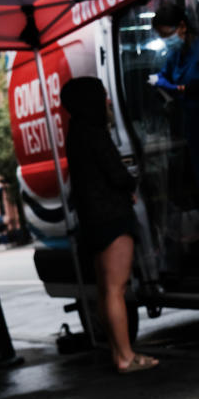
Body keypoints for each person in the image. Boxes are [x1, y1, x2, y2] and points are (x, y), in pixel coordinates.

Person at [61, 76, 158, 374]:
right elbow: (117, 175)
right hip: (113, 217)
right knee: (117, 288)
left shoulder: (75, 132)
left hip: (93, 221)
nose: (106, 100)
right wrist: (132, 181)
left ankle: (118, 352)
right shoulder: (95, 132)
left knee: (106, 289)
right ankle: (126, 356)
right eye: (102, 95)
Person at [150, 1, 199, 266]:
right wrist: (168, 86)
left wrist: (181, 89)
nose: (166, 40)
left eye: (166, 34)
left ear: (182, 26)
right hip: (195, 131)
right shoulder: (177, 56)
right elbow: (165, 78)